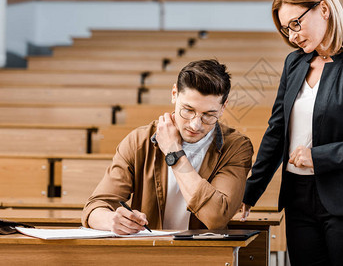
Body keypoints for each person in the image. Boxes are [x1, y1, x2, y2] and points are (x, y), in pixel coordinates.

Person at [240, 0, 343, 266]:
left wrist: (318, 157)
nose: (292, 36)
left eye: (295, 24)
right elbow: (277, 132)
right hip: (299, 201)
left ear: (323, 9)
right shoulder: (294, 63)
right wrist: (249, 192)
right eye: (286, 29)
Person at [82, 59, 253, 234]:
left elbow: (216, 217)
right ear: (174, 94)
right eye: (188, 110)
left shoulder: (237, 147)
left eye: (209, 115)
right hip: (150, 253)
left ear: (223, 107)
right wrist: (112, 221)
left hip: (206, 255)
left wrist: (174, 153)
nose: (195, 125)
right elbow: (95, 207)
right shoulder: (139, 141)